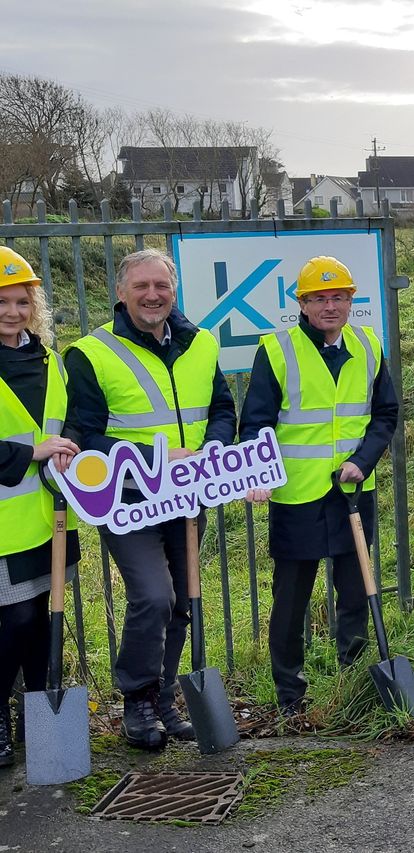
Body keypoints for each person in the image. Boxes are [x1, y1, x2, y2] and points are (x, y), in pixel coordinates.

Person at [65, 248, 237, 749]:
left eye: (160, 285)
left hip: (187, 496)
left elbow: (222, 409)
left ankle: (163, 699)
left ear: (174, 290)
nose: (152, 295)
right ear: (121, 293)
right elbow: (84, 437)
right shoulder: (91, 353)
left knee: (182, 600)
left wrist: (212, 450)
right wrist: (157, 457)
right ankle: (137, 700)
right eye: (140, 286)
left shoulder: (202, 343)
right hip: (129, 499)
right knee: (153, 596)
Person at [240, 256, 400, 715]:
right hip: (297, 495)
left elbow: (384, 414)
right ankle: (290, 692)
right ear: (302, 304)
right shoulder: (277, 349)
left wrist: (363, 462)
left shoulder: (369, 346)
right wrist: (257, 474)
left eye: (339, 297)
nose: (330, 306)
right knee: (291, 599)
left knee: (355, 590)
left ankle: (351, 678)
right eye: (319, 298)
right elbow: (256, 422)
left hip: (352, 491)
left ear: (351, 302)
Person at [0, 249, 80, 768]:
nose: (11, 311)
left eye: (20, 300)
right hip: (5, 527)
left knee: (43, 623)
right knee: (14, 622)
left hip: (51, 519)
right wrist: (34, 454)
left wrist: (69, 445)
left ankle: (38, 715)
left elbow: (68, 418)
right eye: (0, 302)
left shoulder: (49, 358)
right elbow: (30, 442)